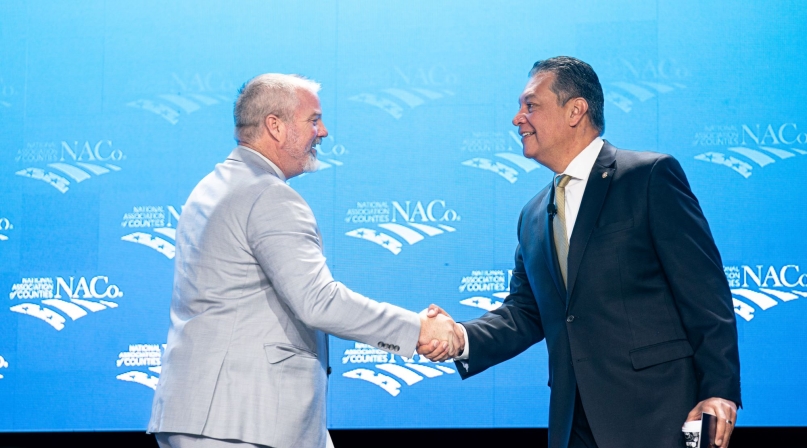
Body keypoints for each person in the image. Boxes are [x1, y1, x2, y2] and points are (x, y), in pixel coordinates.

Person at [419, 57, 741, 448]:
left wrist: (719, 390)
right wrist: (461, 337)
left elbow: (704, 293)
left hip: (658, 416)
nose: (517, 118)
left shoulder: (648, 176)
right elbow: (524, 312)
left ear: (575, 110)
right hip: (573, 424)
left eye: (530, 105)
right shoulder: (533, 214)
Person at [148, 73, 457, 448]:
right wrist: (417, 330)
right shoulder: (267, 195)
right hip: (244, 418)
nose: (323, 131)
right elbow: (318, 302)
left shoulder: (212, 187)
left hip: (209, 414)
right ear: (275, 127)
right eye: (313, 120)